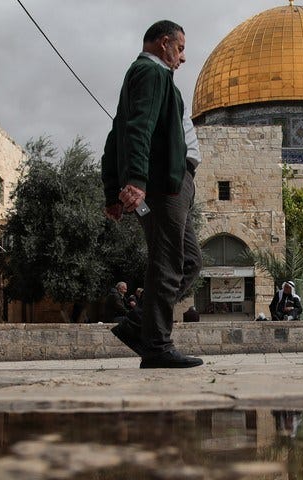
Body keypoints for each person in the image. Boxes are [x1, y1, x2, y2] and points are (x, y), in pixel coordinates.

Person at [101, 20, 203, 368]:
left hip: (174, 182)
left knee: (189, 261)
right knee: (167, 263)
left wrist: (112, 190)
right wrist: (135, 181)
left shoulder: (152, 76)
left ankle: (138, 326)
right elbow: (135, 130)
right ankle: (157, 345)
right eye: (181, 48)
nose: (183, 57)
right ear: (164, 43)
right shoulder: (151, 73)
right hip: (163, 185)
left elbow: (117, 134)